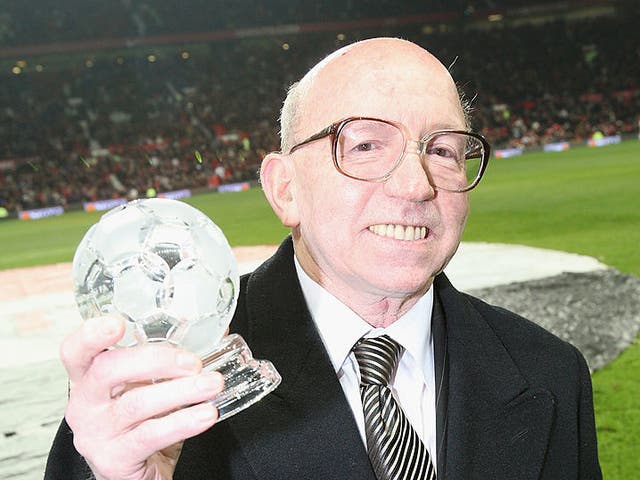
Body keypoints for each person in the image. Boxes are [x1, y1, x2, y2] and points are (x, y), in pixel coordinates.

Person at [45, 37, 601, 479]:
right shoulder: (155, 386)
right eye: (363, 145)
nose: (415, 185)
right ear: (284, 188)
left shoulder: (550, 371)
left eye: (442, 150)